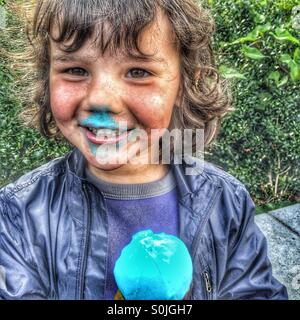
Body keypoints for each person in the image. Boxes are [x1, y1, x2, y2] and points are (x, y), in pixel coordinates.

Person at [0, 0, 288, 300]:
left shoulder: (225, 204)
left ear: (186, 82)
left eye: (138, 71)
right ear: (47, 77)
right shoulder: (18, 218)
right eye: (74, 69)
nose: (102, 99)